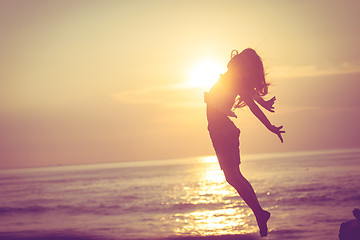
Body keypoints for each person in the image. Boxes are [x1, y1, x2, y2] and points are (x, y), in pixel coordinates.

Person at [204, 48, 285, 237]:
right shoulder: (233, 77)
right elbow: (249, 96)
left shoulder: (234, 78)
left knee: (233, 177)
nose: (235, 58)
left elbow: (251, 105)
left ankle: (259, 213)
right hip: (220, 128)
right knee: (234, 176)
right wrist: (263, 102)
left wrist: (270, 126)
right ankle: (260, 213)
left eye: (240, 59)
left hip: (222, 129)